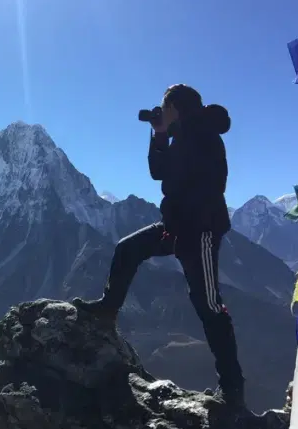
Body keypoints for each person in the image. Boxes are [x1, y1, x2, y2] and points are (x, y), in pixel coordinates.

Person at [73, 84, 246, 408]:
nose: (159, 112)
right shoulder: (182, 134)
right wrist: (159, 134)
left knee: (209, 306)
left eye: (163, 108)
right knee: (128, 248)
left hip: (201, 232)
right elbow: (158, 172)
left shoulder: (205, 135)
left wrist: (169, 134)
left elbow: (202, 181)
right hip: (176, 228)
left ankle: (233, 388)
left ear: (176, 108)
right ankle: (107, 311)